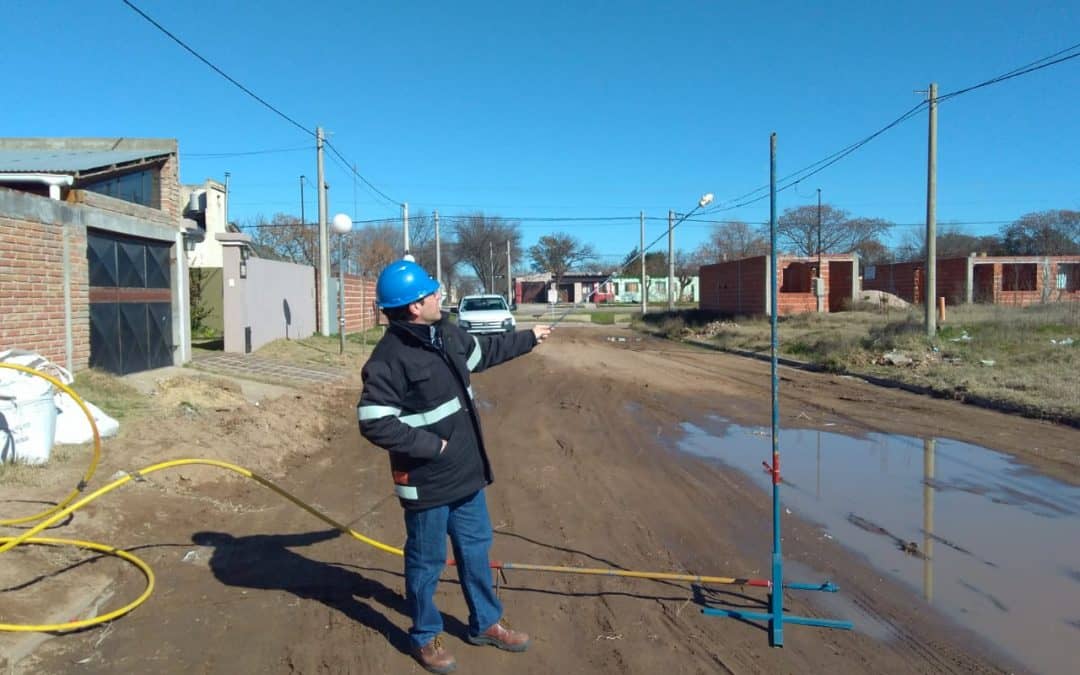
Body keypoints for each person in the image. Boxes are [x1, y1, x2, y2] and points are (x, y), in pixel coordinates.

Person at [357, 259, 551, 674]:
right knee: (426, 562)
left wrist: (530, 338)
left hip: (465, 474)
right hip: (426, 481)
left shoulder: (446, 332)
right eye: (431, 293)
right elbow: (373, 421)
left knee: (476, 550)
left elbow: (485, 353)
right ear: (413, 306)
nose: (438, 295)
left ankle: (486, 622)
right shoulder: (390, 357)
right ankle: (425, 636)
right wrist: (432, 445)